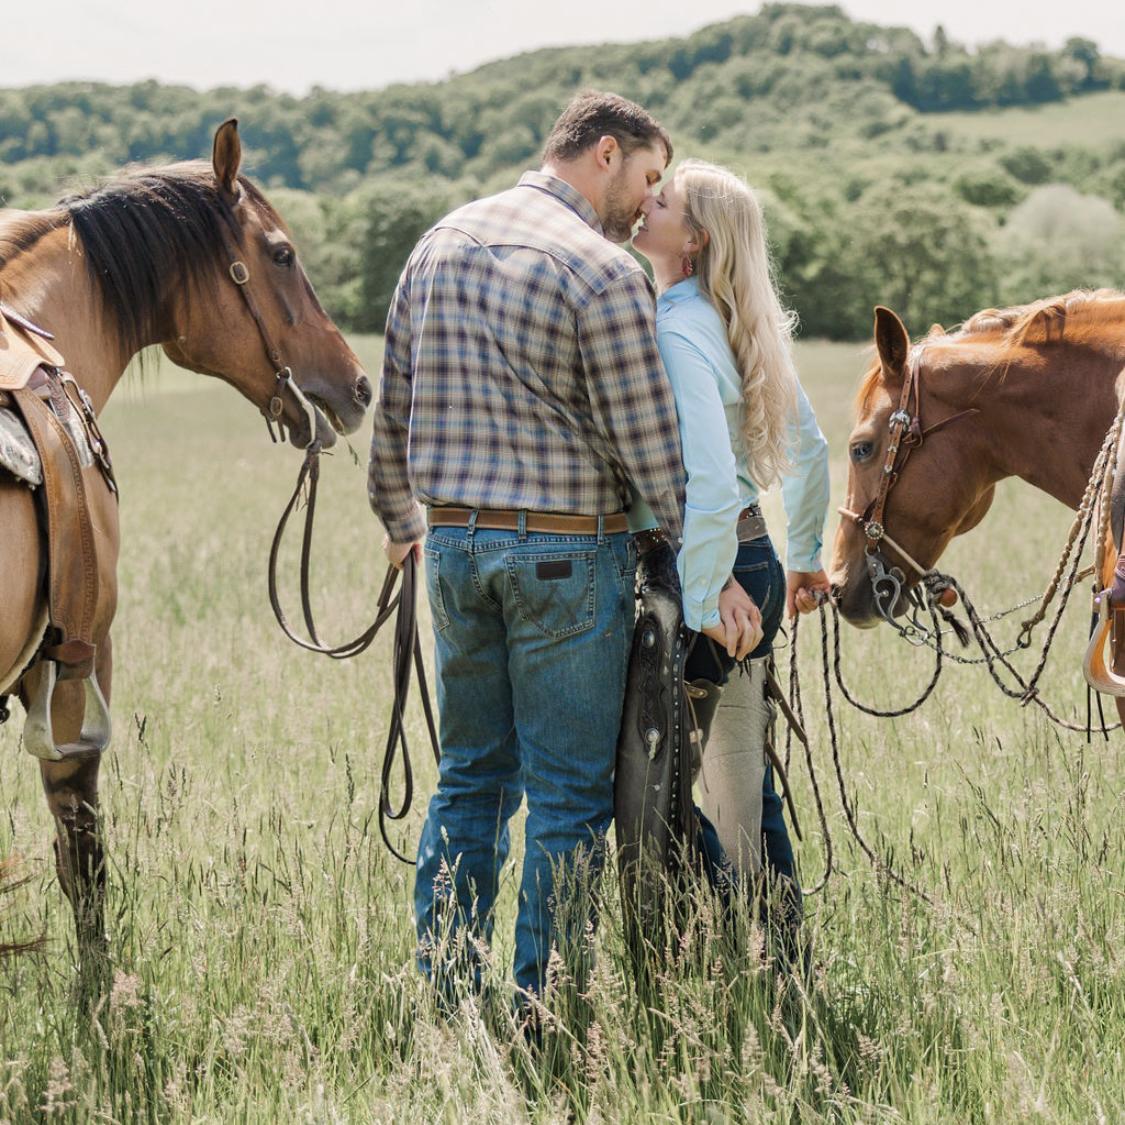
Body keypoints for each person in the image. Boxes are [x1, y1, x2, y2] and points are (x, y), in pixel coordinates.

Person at [368, 94, 756, 1003]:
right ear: (604, 154)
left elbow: (394, 408)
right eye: (649, 178)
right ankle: (549, 1010)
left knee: (468, 780)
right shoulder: (601, 270)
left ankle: (448, 997)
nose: (646, 201)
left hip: (453, 548)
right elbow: (651, 454)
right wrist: (696, 558)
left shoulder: (437, 243)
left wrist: (398, 521)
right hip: (565, 556)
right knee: (569, 800)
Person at [631, 159, 831, 937]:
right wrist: (804, 558)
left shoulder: (678, 328)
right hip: (759, 561)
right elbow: (812, 453)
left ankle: (715, 957)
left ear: (695, 238)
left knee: (665, 791)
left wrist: (706, 588)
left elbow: (709, 480)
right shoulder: (740, 324)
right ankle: (781, 959)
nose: (647, 203)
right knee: (745, 787)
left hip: (711, 573)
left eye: (665, 198)